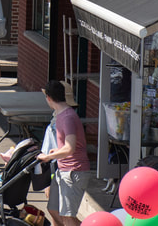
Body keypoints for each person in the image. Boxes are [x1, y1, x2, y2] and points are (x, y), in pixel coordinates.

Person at [37, 80, 91, 226]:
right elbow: (67, 147)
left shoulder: (67, 117)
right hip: (64, 170)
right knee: (54, 210)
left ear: (48, 98)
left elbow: (70, 148)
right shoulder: (60, 115)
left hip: (73, 171)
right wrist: (57, 151)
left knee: (67, 217)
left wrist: (48, 156)